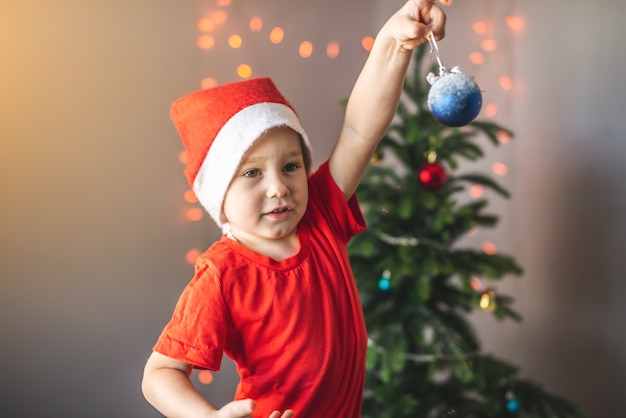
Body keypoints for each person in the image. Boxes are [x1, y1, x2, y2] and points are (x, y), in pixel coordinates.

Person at [142, 1, 446, 417]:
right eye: (251, 174)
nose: (278, 188)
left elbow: (359, 130)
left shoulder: (320, 213)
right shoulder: (222, 275)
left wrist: (393, 43)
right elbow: (159, 374)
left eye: (290, 166)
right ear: (218, 194)